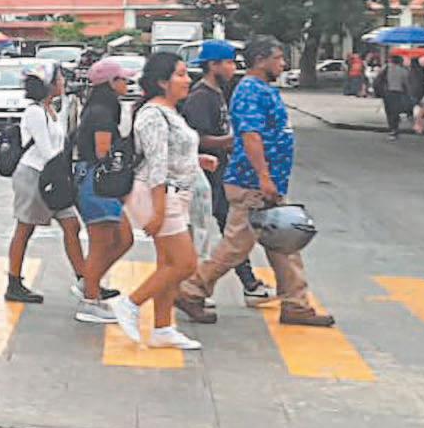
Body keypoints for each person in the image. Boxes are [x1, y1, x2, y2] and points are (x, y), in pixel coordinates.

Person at [175, 37, 333, 327]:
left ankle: (295, 304)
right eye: (278, 58)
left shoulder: (262, 89)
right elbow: (250, 136)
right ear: (260, 60)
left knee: (284, 241)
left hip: (265, 184)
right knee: (236, 247)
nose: (283, 64)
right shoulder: (249, 91)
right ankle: (192, 289)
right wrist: (263, 177)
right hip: (253, 185)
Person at [106, 53, 215, 350]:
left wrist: (197, 161)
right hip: (158, 194)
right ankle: (130, 303)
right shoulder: (153, 114)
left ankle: (163, 328)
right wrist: (158, 210)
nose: (187, 80)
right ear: (162, 82)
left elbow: (170, 152)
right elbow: (156, 164)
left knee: (168, 263)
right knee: (185, 263)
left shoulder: (169, 111)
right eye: (180, 74)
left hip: (173, 192)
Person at [178, 40, 272, 309]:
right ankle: (193, 285)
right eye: (229, 63)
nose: (233, 68)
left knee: (231, 230)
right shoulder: (200, 97)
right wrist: (232, 141)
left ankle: (245, 284)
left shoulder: (218, 93)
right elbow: (197, 138)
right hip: (204, 170)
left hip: (220, 168)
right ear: (213, 65)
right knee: (220, 231)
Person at [1, 62, 90, 303]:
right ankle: (14, 283)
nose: (64, 82)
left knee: (72, 225)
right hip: (34, 176)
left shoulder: (52, 109)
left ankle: (85, 280)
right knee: (24, 229)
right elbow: (47, 150)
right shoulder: (34, 112)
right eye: (59, 79)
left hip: (52, 177)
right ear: (49, 84)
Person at [70, 60, 132, 323]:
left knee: (123, 238)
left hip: (95, 182)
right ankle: (90, 300)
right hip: (97, 184)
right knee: (102, 243)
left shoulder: (97, 110)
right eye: (122, 79)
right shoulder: (102, 114)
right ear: (110, 83)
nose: (127, 84)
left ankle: (90, 283)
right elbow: (102, 152)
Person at [380, 54, 413, 139]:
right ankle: (394, 129)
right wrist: (409, 94)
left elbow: (380, 79)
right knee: (395, 111)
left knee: (389, 111)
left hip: (387, 92)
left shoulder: (386, 68)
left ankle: (392, 128)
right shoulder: (403, 71)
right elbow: (406, 84)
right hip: (398, 93)